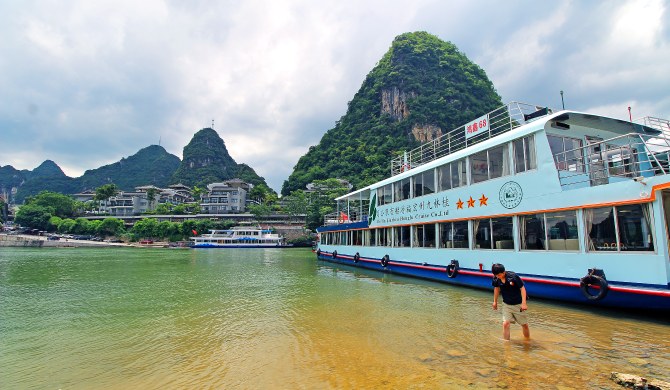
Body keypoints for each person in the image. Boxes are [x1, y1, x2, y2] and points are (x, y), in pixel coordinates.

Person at [491, 263, 530, 340]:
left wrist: (524, 303)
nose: (497, 277)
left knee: (524, 324)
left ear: (504, 272)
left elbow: (522, 288)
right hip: (506, 304)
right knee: (505, 324)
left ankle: (527, 341)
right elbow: (496, 289)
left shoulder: (513, 277)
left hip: (518, 304)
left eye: (499, 275)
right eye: (496, 275)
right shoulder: (496, 278)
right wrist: (495, 302)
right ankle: (507, 345)